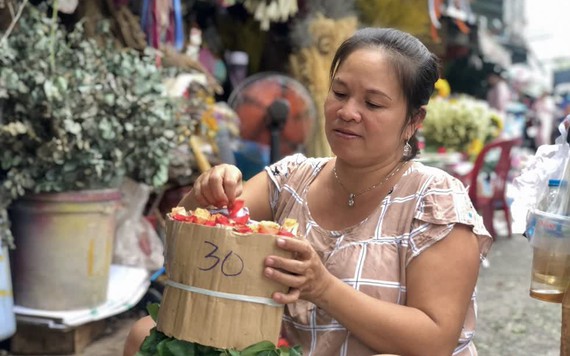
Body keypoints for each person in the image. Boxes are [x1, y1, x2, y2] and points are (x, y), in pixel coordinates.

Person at [124, 27, 493, 356]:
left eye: (373, 103)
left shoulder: (434, 199)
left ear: (414, 120)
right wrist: (205, 194)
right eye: (340, 93)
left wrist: (323, 288)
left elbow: (434, 341)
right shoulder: (291, 179)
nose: (348, 112)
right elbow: (193, 248)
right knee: (145, 334)